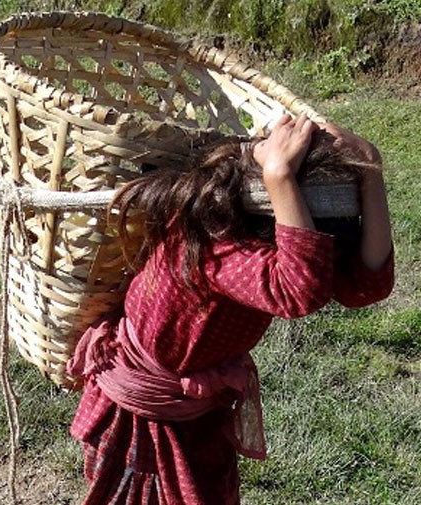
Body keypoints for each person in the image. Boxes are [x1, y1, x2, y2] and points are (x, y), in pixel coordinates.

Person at [67, 114, 395, 505]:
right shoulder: (210, 241)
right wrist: (279, 176)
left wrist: (370, 168)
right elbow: (298, 292)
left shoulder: (269, 234)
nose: (325, 242)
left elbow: (365, 285)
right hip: (145, 411)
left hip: (198, 403)